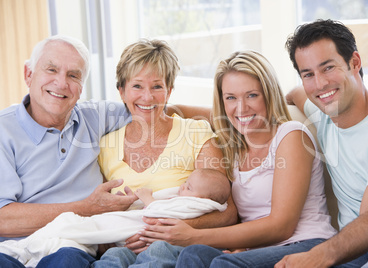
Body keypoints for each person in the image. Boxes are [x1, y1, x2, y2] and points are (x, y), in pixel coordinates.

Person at [117, 50, 337, 268]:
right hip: (256, 250)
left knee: (219, 262)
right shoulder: (233, 148)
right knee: (193, 256)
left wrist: (192, 235)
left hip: (305, 244)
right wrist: (163, 110)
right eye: (231, 97)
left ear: (268, 94)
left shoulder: (291, 135)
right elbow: (182, 111)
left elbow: (282, 226)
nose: (241, 108)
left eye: (252, 95)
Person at [92, 39, 237, 260]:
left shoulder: (196, 133)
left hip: (176, 249)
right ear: (122, 91)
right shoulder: (105, 147)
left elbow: (227, 212)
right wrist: (114, 240)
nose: (147, 97)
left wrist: (169, 232)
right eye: (137, 86)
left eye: (157, 86)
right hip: (125, 248)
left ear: (169, 91)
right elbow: (100, 216)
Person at [0, 35, 136, 268]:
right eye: (51, 69)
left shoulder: (93, 116)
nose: (61, 83)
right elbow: (3, 220)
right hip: (11, 249)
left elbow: (149, 107)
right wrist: (86, 208)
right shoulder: (4, 130)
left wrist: (218, 111)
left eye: (73, 75)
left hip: (70, 246)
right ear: (28, 74)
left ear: (82, 87)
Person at [276, 19, 368, 267]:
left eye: (328, 68)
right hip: (353, 246)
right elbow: (295, 94)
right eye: (308, 74)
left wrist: (317, 256)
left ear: (354, 62)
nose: (320, 84)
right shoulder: (323, 112)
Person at [0, 168, 231, 268]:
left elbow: (159, 214)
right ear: (121, 91)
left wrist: (150, 202)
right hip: (118, 237)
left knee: (71, 236)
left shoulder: (198, 202)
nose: (182, 187)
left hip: (154, 239)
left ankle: (28, 248)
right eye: (137, 86)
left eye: (188, 186)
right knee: (109, 251)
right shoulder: (107, 128)